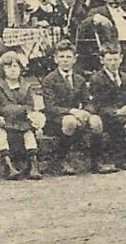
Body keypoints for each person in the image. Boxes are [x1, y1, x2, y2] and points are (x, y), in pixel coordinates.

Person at [40, 42, 105, 175]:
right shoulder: (49, 80)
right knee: (70, 121)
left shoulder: (79, 80)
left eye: (68, 57)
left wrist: (86, 112)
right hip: (55, 120)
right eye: (62, 57)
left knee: (96, 121)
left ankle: (96, 161)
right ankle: (61, 160)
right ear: (55, 59)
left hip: (77, 117)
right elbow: (50, 107)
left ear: (75, 59)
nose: (65, 60)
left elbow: (88, 102)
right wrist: (72, 111)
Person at [0, 48, 45, 181]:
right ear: (2, 69)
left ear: (20, 68)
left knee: (29, 133)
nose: (12, 69)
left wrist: (32, 116)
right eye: (8, 66)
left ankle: (34, 165)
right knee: (1, 133)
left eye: (15, 66)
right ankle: (9, 166)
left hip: (21, 121)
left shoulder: (25, 86)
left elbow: (30, 105)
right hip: (4, 121)